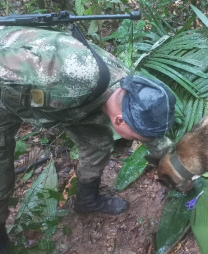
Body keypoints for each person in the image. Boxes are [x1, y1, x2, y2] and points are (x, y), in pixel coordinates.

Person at [0, 25, 176, 253]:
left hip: (64, 104)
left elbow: (151, 135)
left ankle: (87, 200)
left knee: (98, 143)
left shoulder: (131, 91)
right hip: (6, 93)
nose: (141, 141)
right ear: (120, 122)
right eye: (138, 139)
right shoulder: (65, 78)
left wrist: (178, 165)